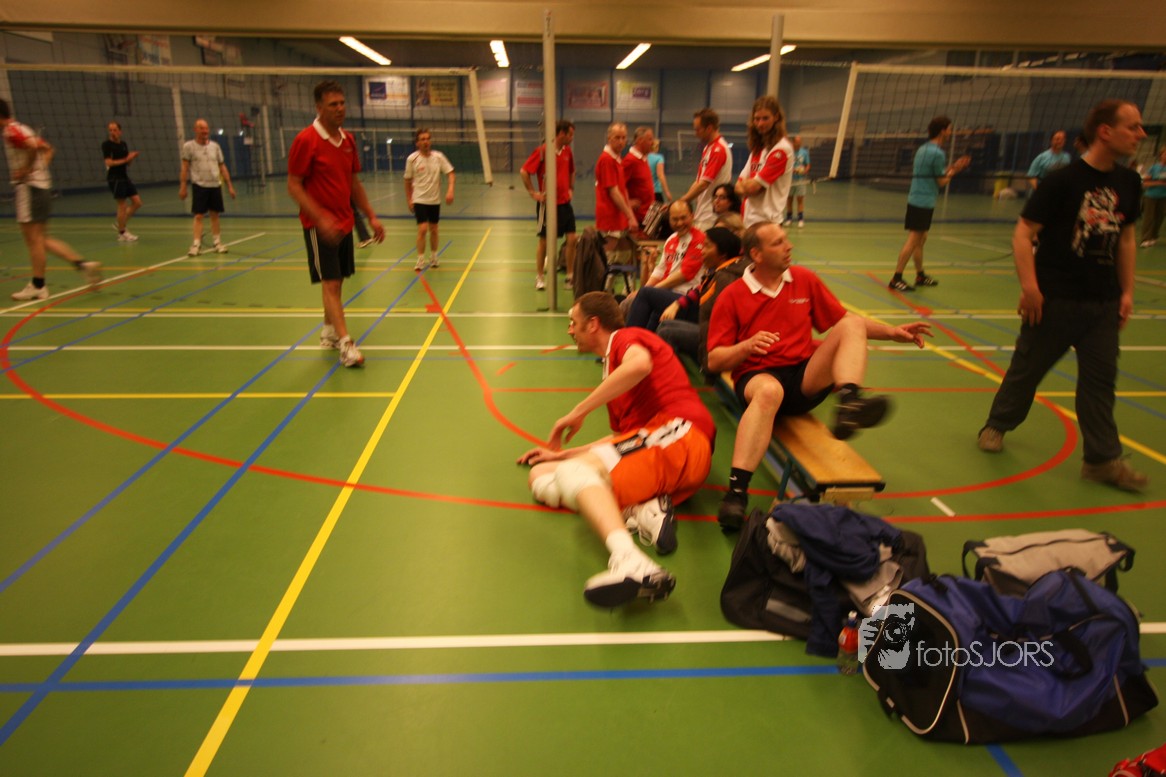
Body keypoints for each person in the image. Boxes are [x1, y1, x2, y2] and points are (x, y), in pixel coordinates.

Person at [708, 221, 932, 530]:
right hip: (758, 377)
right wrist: (746, 346)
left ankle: (850, 404)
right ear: (756, 254)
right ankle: (736, 494)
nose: (788, 246)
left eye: (786, 239)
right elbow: (714, 359)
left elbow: (843, 321)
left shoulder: (804, 280)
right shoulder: (733, 294)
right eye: (778, 243)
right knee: (770, 392)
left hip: (803, 377)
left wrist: (892, 332)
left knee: (852, 324)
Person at [978, 99, 1149, 492]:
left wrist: (1127, 292)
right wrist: (1030, 288)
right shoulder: (1062, 181)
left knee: (1100, 383)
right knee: (1027, 370)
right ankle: (998, 424)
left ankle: (1101, 461)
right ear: (1105, 131)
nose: (1141, 135)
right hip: (1054, 301)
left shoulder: (1129, 182)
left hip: (1102, 305)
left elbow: (1126, 238)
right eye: (1133, 127)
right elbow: (1023, 233)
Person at [517, 291, 716, 607]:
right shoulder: (614, 375)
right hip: (661, 444)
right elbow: (623, 442)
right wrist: (562, 454)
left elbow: (640, 365)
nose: (570, 329)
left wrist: (578, 411)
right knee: (542, 476)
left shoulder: (625, 338)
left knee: (575, 473)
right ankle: (642, 510)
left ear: (593, 324)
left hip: (683, 434)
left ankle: (632, 562)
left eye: (574, 322)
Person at [287, 80, 385, 368]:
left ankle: (329, 330)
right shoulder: (306, 140)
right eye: (333, 104)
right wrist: (319, 217)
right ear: (319, 108)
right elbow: (293, 185)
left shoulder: (348, 141)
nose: (340, 108)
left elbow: (354, 183)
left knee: (337, 280)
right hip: (319, 226)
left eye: (342, 103)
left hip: (343, 222)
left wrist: (371, 215)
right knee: (330, 282)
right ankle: (345, 344)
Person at [2, 98, 102, 301]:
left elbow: (32, 148)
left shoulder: (11, 131)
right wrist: (39, 170)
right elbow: (48, 149)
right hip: (42, 188)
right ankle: (83, 265)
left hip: (29, 189)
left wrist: (27, 170)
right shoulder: (24, 128)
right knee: (42, 239)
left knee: (33, 240)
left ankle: (38, 285)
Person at [889, 116, 971, 291]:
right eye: (949, 129)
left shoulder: (923, 149)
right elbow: (941, 181)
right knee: (913, 240)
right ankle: (897, 277)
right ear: (942, 131)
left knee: (921, 238)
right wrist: (955, 170)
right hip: (923, 201)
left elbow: (935, 173)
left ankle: (920, 275)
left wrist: (952, 167)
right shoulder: (938, 153)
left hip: (915, 197)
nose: (951, 132)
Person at [655, 226, 744, 365]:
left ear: (723, 253)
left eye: (707, 246)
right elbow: (700, 290)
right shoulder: (719, 271)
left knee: (666, 331)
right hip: (708, 328)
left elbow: (719, 320)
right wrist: (678, 304)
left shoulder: (726, 278)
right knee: (664, 323)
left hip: (719, 339)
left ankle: (668, 374)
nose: (702, 251)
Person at [625, 200, 706, 331]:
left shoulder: (700, 240)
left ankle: (627, 338)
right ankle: (631, 338)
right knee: (630, 301)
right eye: (675, 219)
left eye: (683, 218)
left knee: (645, 295)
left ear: (692, 216)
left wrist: (651, 290)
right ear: (669, 219)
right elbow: (660, 270)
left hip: (687, 298)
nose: (679, 223)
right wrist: (644, 289)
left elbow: (684, 275)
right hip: (668, 294)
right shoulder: (671, 239)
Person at [520, 119, 577, 291]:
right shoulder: (543, 151)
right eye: (570, 135)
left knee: (572, 239)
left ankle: (570, 276)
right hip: (547, 205)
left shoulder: (567, 151)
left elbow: (572, 171)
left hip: (565, 203)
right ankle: (539, 277)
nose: (572, 138)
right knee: (544, 241)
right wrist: (533, 193)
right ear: (561, 134)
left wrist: (571, 188)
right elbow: (524, 171)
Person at [179, 118, 237, 256]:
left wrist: (230, 186)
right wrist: (183, 186)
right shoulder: (188, 146)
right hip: (199, 185)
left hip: (215, 185)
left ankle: (217, 242)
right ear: (195, 130)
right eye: (201, 128)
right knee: (199, 215)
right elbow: (185, 167)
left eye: (206, 128)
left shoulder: (215, 146)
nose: (205, 131)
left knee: (215, 215)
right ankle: (196, 245)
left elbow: (222, 166)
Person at [736, 95, 794, 228]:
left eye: (765, 118)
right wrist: (749, 186)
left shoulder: (781, 150)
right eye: (757, 119)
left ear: (776, 117)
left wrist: (750, 185)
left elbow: (753, 188)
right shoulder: (758, 149)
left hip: (768, 223)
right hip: (748, 219)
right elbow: (738, 186)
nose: (760, 124)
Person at [404, 128, 455, 271]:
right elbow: (407, 181)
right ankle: (420, 259)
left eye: (428, 139)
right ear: (417, 143)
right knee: (422, 229)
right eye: (422, 139)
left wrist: (450, 190)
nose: (426, 142)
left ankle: (434, 256)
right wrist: (409, 199)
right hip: (419, 199)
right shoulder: (412, 159)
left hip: (434, 200)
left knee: (434, 229)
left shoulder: (438, 157)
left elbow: (451, 173)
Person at [680, 108, 732, 230]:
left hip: (711, 215)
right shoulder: (708, 148)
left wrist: (681, 202)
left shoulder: (718, 149)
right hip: (703, 212)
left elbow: (704, 184)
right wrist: (684, 200)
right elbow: (699, 181)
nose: (695, 133)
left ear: (709, 128)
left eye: (698, 129)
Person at [595, 122, 639, 252]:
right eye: (617, 137)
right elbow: (613, 192)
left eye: (624, 138)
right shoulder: (607, 160)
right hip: (609, 217)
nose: (621, 141)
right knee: (606, 255)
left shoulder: (617, 159)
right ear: (609, 138)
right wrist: (630, 216)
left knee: (624, 252)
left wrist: (628, 212)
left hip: (618, 217)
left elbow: (622, 189)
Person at [102, 121, 142, 242]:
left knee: (137, 202)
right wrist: (125, 159)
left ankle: (120, 223)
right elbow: (109, 162)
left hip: (124, 176)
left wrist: (131, 158)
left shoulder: (123, 144)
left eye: (115, 130)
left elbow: (128, 163)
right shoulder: (107, 145)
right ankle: (122, 233)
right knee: (122, 205)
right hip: (115, 178)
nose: (112, 132)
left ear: (120, 131)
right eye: (110, 130)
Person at [623, 126, 656, 227]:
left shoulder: (643, 159)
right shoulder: (630, 161)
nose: (653, 143)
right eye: (650, 139)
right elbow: (618, 186)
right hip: (637, 218)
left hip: (647, 216)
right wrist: (627, 203)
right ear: (640, 140)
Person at [1139, 146, 1166, 248]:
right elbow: (1145, 183)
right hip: (1151, 196)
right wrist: (1158, 183)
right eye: (1165, 154)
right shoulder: (1154, 168)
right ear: (1161, 155)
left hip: (1163, 197)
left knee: (1159, 217)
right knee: (1149, 217)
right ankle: (1145, 238)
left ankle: (1154, 236)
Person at [786, 135, 811, 228]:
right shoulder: (788, 152)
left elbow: (808, 165)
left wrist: (804, 170)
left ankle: (800, 219)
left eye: (800, 141)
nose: (799, 143)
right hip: (790, 180)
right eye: (797, 142)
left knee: (800, 199)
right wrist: (791, 170)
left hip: (800, 180)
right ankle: (789, 219)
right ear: (793, 142)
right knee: (789, 199)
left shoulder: (804, 152)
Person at [648, 137, 672, 203]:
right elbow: (660, 175)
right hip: (656, 192)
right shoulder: (659, 158)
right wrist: (667, 192)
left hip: (645, 191)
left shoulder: (643, 157)